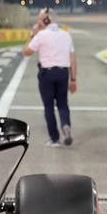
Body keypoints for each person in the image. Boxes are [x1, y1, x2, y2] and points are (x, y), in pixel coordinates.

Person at [22, 9, 76, 147]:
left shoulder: (41, 35)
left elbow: (26, 52)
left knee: (49, 107)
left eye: (40, 19)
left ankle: (54, 138)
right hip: (63, 73)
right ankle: (66, 125)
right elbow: (73, 59)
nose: (38, 22)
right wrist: (73, 79)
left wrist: (32, 35)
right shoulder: (66, 35)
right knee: (63, 104)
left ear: (45, 20)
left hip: (47, 74)